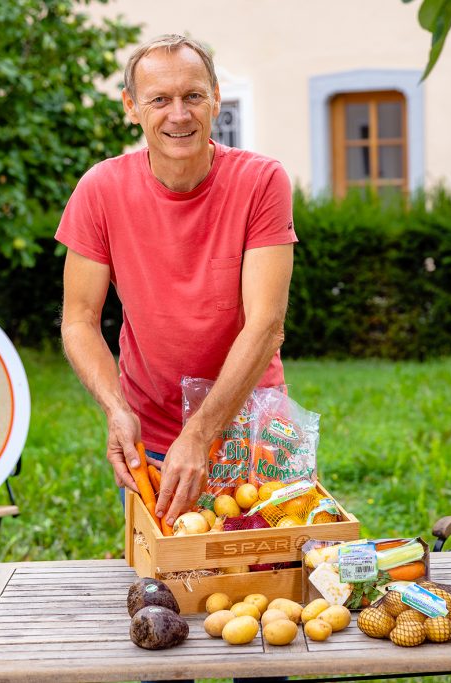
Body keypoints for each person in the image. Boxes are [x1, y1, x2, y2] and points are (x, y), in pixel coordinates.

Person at [56, 33, 297, 529]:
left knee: (265, 584)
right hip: (154, 438)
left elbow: (266, 323)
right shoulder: (100, 190)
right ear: (131, 107)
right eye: (159, 100)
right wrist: (116, 410)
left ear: (214, 97)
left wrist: (202, 432)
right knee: (167, 584)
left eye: (192, 96)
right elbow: (79, 320)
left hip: (255, 432)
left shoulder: (262, 182)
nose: (179, 114)